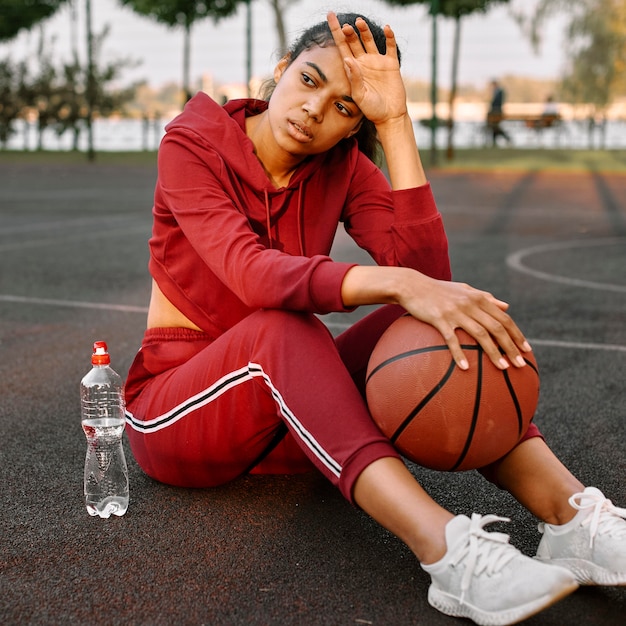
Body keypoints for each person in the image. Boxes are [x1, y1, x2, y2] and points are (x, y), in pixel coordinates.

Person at [124, 12, 626, 626]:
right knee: (285, 326)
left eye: (344, 108)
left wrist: (394, 122)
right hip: (176, 416)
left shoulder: (341, 164)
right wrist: (399, 284)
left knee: (448, 324)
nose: (314, 110)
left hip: (294, 420)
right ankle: (450, 555)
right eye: (308, 81)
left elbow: (428, 274)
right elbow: (253, 274)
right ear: (281, 71)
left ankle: (571, 516)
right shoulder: (192, 141)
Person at [487, 79, 512, 146]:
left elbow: (498, 102)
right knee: (494, 127)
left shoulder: (500, 92)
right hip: (494, 111)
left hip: (497, 111)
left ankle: (506, 138)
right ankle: (495, 141)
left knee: (495, 127)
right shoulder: (495, 92)